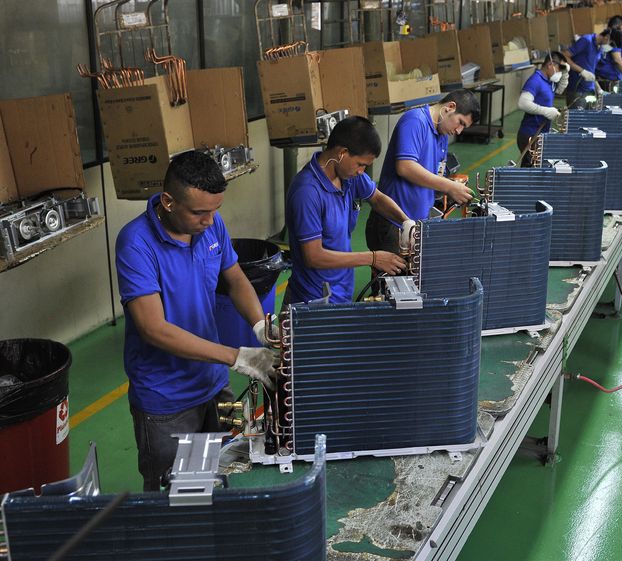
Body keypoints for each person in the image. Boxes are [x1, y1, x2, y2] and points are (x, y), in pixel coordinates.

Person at [115, 150, 276, 491]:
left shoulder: (210, 223)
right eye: (200, 212)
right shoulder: (136, 243)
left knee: (220, 474)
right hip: (167, 401)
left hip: (214, 386)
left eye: (215, 210)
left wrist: (260, 324)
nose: (210, 220)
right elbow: (153, 328)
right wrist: (237, 356)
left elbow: (234, 279)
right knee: (178, 498)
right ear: (169, 202)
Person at [285, 116, 410, 305]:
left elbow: (376, 198)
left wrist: (407, 223)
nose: (362, 171)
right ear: (342, 153)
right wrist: (373, 258)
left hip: (342, 290)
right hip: (315, 301)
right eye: (361, 164)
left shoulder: (349, 176)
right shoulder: (307, 192)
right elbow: (314, 256)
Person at [365, 89, 480, 254]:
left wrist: (452, 187)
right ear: (450, 107)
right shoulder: (415, 121)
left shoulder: (442, 136)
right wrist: (449, 186)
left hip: (416, 224)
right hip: (394, 224)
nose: (459, 131)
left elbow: (434, 176)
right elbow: (405, 166)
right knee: (394, 279)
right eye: (460, 122)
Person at [516, 51, 569, 154]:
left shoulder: (549, 81)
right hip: (530, 135)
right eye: (559, 69)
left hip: (540, 134)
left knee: (533, 168)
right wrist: (545, 111)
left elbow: (560, 90)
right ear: (550, 65)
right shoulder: (535, 80)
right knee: (530, 168)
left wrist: (565, 73)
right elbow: (522, 103)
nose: (559, 73)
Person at [561, 28, 614, 108]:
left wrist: (599, 89)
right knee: (577, 118)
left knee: (587, 118)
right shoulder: (586, 41)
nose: (610, 46)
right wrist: (582, 71)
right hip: (577, 89)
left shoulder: (600, 48)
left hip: (590, 90)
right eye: (611, 43)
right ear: (607, 37)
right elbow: (564, 56)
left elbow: (591, 71)